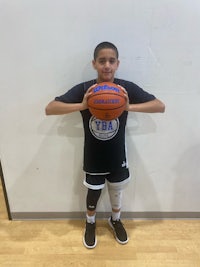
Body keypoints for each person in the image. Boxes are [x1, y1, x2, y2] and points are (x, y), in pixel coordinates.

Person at [45, 41, 165, 249]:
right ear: (94, 64)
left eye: (111, 61)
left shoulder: (124, 88)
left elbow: (159, 106)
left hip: (118, 154)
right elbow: (50, 108)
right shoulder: (86, 89)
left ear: (117, 64)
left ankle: (115, 220)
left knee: (116, 191)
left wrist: (128, 106)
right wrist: (82, 105)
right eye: (102, 61)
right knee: (93, 191)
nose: (107, 65)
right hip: (93, 154)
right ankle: (90, 223)